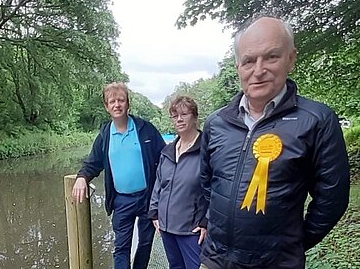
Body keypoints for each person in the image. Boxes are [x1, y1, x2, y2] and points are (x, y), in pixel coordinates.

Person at [198, 16, 350, 269]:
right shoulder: (216, 123)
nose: (258, 70)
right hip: (215, 260)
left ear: (290, 58)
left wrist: (292, 244)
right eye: (249, 60)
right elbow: (207, 183)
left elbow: (332, 198)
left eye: (271, 57)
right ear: (238, 66)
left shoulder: (317, 120)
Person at [72, 82, 165, 269]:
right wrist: (82, 177)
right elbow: (93, 162)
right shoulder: (105, 135)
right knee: (121, 247)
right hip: (121, 200)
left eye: (121, 100)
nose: (117, 105)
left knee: (145, 244)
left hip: (147, 198)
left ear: (127, 104)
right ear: (107, 107)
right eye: (112, 101)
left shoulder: (145, 129)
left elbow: (164, 158)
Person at [148, 96, 207, 269]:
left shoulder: (207, 150)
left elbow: (218, 189)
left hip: (192, 230)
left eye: (184, 114)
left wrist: (207, 221)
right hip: (166, 228)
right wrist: (154, 212)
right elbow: (159, 184)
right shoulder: (167, 151)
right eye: (175, 116)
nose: (179, 119)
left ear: (195, 117)